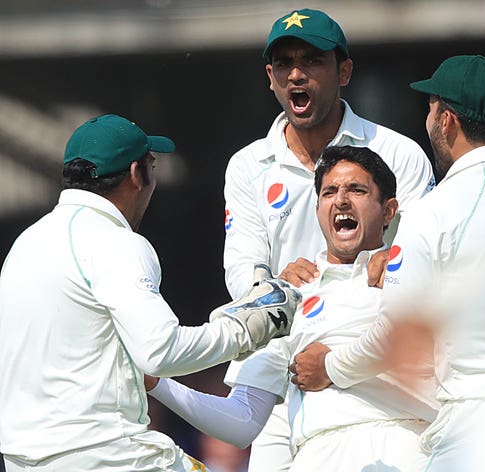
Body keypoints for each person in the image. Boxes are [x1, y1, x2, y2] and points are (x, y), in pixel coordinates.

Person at [291, 55, 485, 469]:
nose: (427, 119)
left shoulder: (435, 211)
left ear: (446, 121)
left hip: (474, 430)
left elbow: (396, 333)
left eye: (429, 108)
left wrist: (330, 365)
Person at [0, 114, 300, 472]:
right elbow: (160, 351)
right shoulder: (117, 242)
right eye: (152, 166)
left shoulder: (25, 246)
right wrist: (248, 327)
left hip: (23, 461)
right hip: (110, 456)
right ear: (136, 174)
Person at [222, 8, 435, 470]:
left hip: (371, 365)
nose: (297, 74)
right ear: (270, 77)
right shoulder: (247, 165)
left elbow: (427, 254)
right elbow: (241, 264)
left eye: (313, 61)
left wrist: (391, 258)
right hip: (284, 357)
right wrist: (277, 286)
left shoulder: (399, 153)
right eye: (285, 64)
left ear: (344, 71)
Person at [148, 145, 439, 471]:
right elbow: (242, 421)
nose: (341, 200)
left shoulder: (414, 275)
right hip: (317, 456)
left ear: (388, 211)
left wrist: (331, 368)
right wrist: (157, 384)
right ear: (317, 209)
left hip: (406, 450)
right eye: (329, 192)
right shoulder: (287, 297)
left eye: (357, 190)